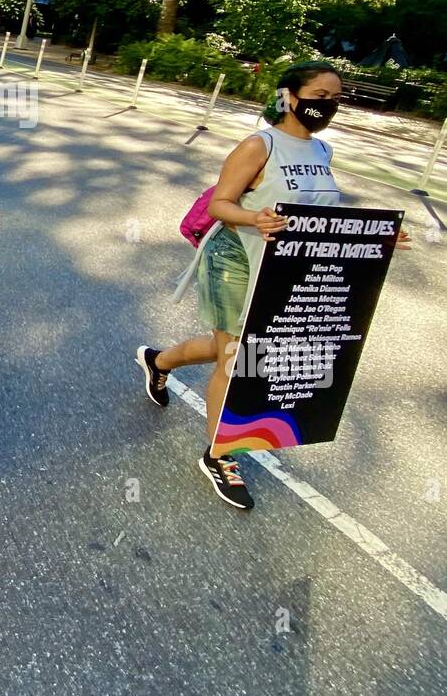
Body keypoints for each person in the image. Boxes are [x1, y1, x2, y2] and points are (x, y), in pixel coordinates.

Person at [136, 61, 409, 513]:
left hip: (284, 266)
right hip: (236, 258)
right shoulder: (258, 145)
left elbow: (320, 216)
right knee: (235, 356)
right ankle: (220, 455)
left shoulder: (322, 151)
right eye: (319, 95)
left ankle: (158, 360)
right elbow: (223, 203)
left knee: (234, 346)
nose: (329, 105)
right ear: (289, 97)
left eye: (336, 97)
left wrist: (377, 236)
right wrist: (254, 218)